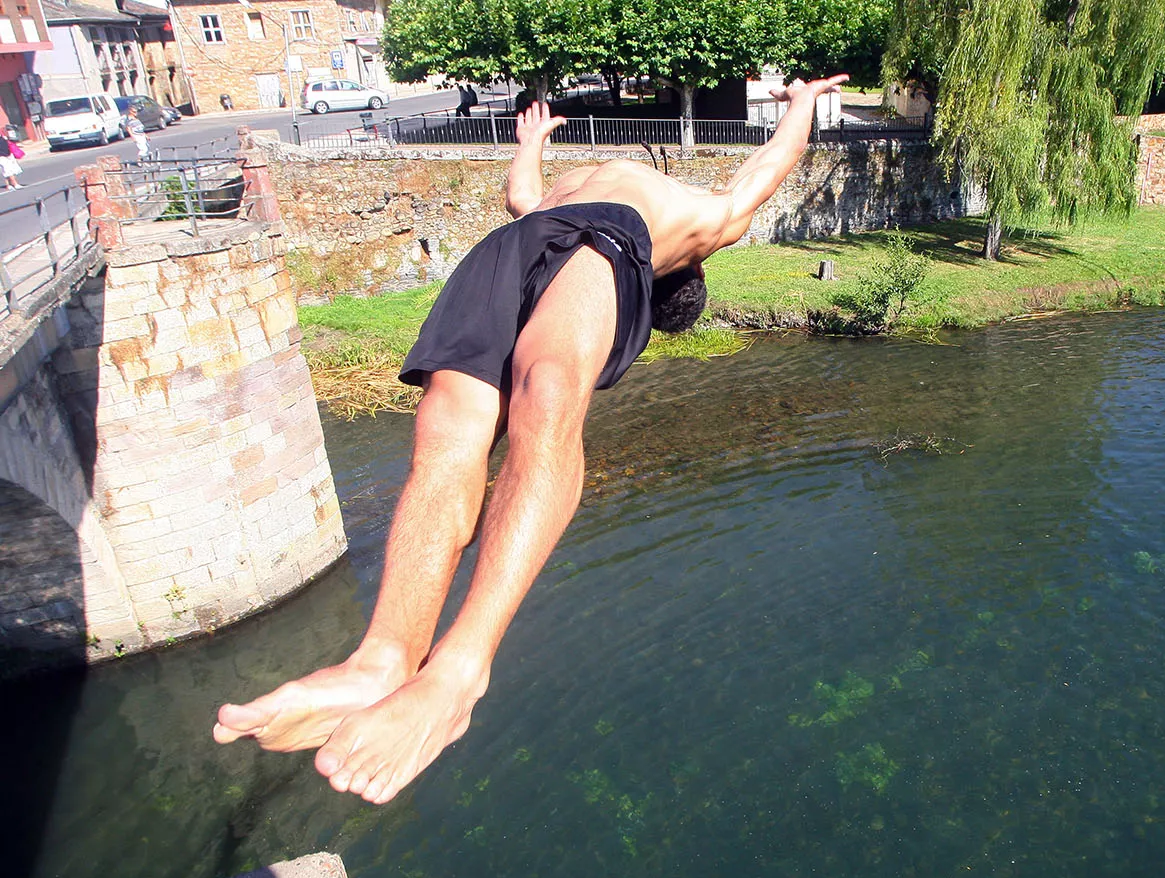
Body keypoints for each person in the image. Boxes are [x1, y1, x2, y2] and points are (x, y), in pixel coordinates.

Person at [213, 73, 852, 805]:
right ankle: (382, 659)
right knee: (447, 426)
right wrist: (529, 145)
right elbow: (522, 195)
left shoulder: (696, 225)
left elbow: (762, 173)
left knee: (546, 390)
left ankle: (459, 669)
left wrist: (802, 107)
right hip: (515, 243)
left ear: (684, 269)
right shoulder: (565, 198)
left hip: (609, 238)